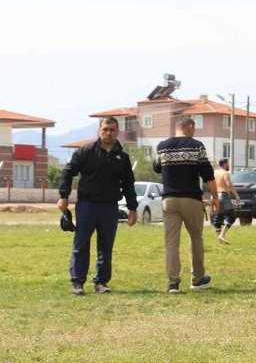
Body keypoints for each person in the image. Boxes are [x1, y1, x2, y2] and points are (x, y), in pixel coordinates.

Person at [57, 117, 138, 295]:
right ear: (99, 130)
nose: (108, 133)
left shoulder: (122, 157)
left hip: (109, 206)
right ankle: (78, 282)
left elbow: (128, 184)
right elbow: (68, 171)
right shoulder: (85, 151)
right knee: (81, 243)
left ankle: (101, 282)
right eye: (105, 129)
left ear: (118, 132)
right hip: (87, 204)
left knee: (106, 246)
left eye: (112, 130)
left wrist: (133, 208)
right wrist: (63, 196)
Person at [153, 115, 219, 293]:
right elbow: (208, 175)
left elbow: (156, 167)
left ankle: (173, 283)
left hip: (169, 200)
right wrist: (215, 197)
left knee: (171, 243)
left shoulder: (162, 147)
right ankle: (197, 279)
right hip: (191, 199)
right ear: (190, 126)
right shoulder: (197, 146)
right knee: (195, 238)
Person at [213, 158, 241, 244]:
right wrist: (236, 195)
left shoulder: (215, 172)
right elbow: (229, 185)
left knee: (218, 217)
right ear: (225, 164)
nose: (229, 165)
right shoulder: (225, 173)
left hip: (216, 196)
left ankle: (220, 241)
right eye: (228, 163)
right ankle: (221, 235)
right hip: (224, 197)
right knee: (232, 216)